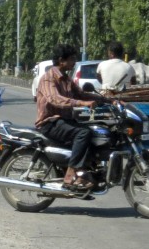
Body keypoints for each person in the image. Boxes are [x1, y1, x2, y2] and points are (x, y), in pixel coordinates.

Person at [36, 43, 106, 189]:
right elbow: (55, 99)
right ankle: (71, 174)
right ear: (61, 60)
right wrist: (82, 103)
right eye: (72, 59)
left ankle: (87, 170)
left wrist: (107, 100)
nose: (74, 62)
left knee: (96, 131)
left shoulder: (66, 79)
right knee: (83, 133)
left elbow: (81, 94)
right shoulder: (49, 78)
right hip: (50, 123)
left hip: (64, 120)